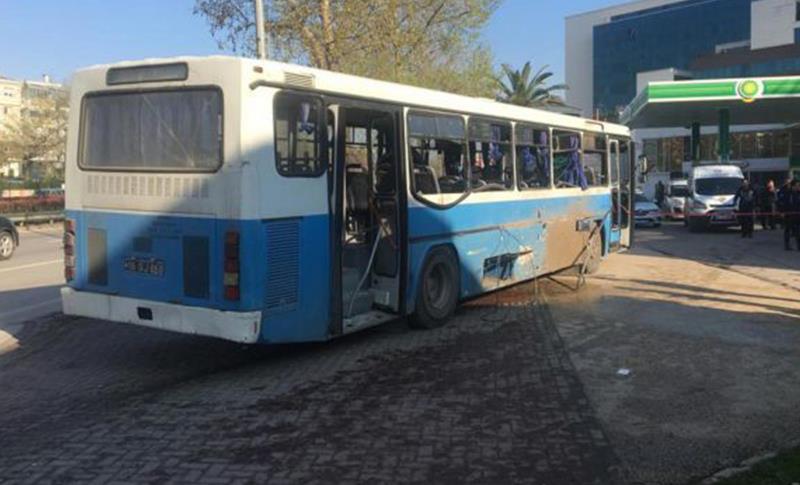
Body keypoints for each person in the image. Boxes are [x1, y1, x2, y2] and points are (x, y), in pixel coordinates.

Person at [785, 180, 800, 251]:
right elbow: (785, 203)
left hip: (797, 215)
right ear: (793, 186)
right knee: (788, 230)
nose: (798, 187)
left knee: (798, 231)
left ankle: (799, 246)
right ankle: (787, 245)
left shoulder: (798, 193)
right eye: (797, 185)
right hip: (789, 215)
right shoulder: (788, 193)